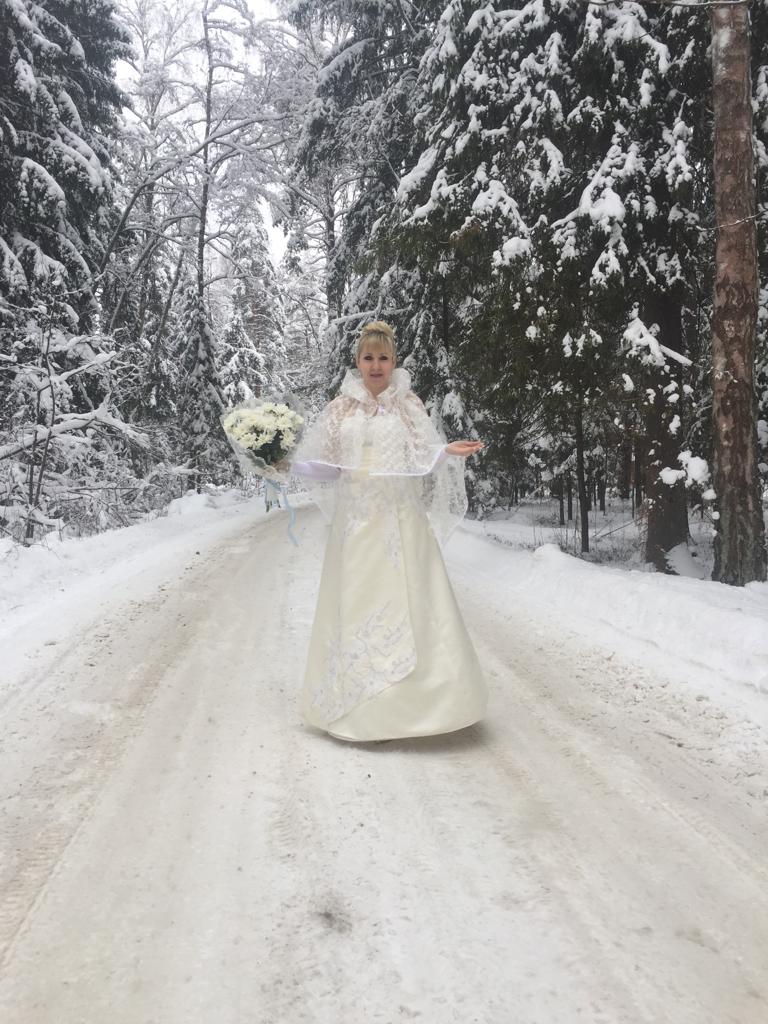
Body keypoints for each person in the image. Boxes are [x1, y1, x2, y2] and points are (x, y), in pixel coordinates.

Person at [289, 321, 488, 742]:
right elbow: (326, 466)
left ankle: (425, 705)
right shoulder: (340, 408)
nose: (375, 365)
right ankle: (360, 706)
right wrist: (282, 462)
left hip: (400, 518)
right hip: (355, 522)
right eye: (368, 357)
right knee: (359, 601)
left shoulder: (407, 404)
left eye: (383, 358)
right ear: (357, 362)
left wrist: (446, 451)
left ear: (393, 362)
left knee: (414, 600)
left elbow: (421, 455)